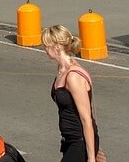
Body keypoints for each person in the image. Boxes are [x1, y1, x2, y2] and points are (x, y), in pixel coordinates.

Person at [42, 24, 103, 162]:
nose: (44, 49)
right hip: (69, 140)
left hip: (79, 142)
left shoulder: (73, 76)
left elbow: (87, 118)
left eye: (46, 45)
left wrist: (92, 157)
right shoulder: (61, 69)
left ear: (56, 47)